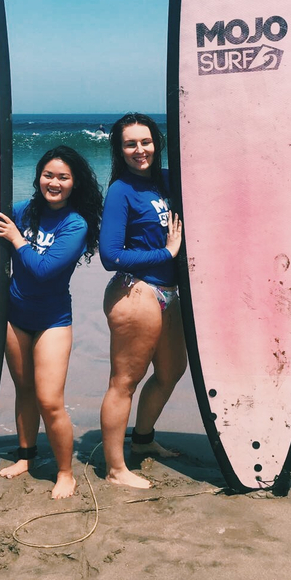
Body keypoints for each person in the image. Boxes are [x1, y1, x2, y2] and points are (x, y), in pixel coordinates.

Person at [0, 145, 102, 499]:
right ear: (39, 177)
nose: (53, 183)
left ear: (75, 183)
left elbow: (43, 270)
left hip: (52, 320)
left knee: (50, 400)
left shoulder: (76, 224)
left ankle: (65, 473)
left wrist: (16, 239)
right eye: (48, 175)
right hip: (15, 316)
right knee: (23, 391)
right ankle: (25, 456)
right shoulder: (24, 210)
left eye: (63, 177)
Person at [98, 113, 187, 488]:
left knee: (170, 373)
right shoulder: (122, 190)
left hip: (170, 293)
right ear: (120, 150)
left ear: (157, 143)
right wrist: (165, 254)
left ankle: (144, 441)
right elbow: (109, 255)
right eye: (130, 144)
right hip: (137, 291)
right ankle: (116, 469)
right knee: (124, 382)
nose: (140, 150)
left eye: (145, 141)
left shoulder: (167, 181)